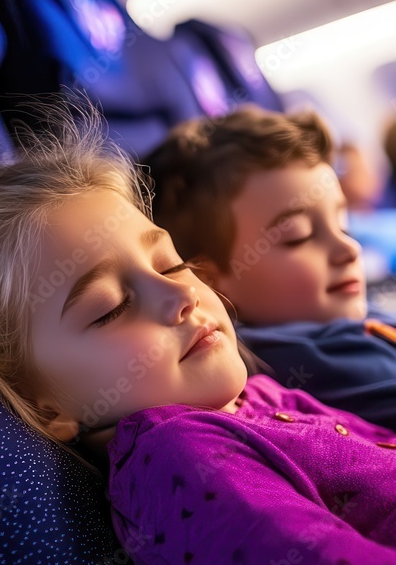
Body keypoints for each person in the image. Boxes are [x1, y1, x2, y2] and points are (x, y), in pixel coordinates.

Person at [0, 109, 396, 565]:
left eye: (168, 265)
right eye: (111, 308)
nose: (182, 294)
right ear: (42, 406)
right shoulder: (180, 457)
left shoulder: (253, 396)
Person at [145, 105, 396, 428]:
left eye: (342, 225)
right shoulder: (306, 358)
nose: (349, 248)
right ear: (210, 281)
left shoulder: (328, 315)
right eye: (298, 237)